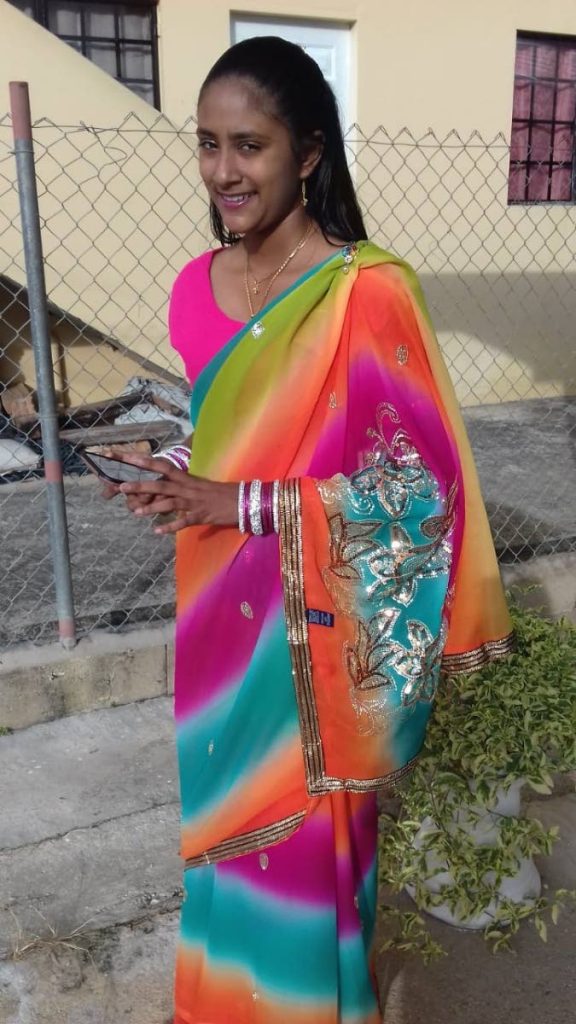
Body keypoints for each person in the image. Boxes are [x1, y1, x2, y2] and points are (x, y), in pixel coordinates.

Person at [105, 36, 513, 1024]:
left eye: (248, 144)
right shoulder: (193, 289)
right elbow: (227, 433)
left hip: (318, 633)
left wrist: (234, 503)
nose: (222, 170)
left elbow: (415, 496)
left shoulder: (365, 294)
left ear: (309, 153)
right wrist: (175, 477)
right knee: (226, 835)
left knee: (309, 859)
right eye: (207, 144)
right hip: (218, 617)